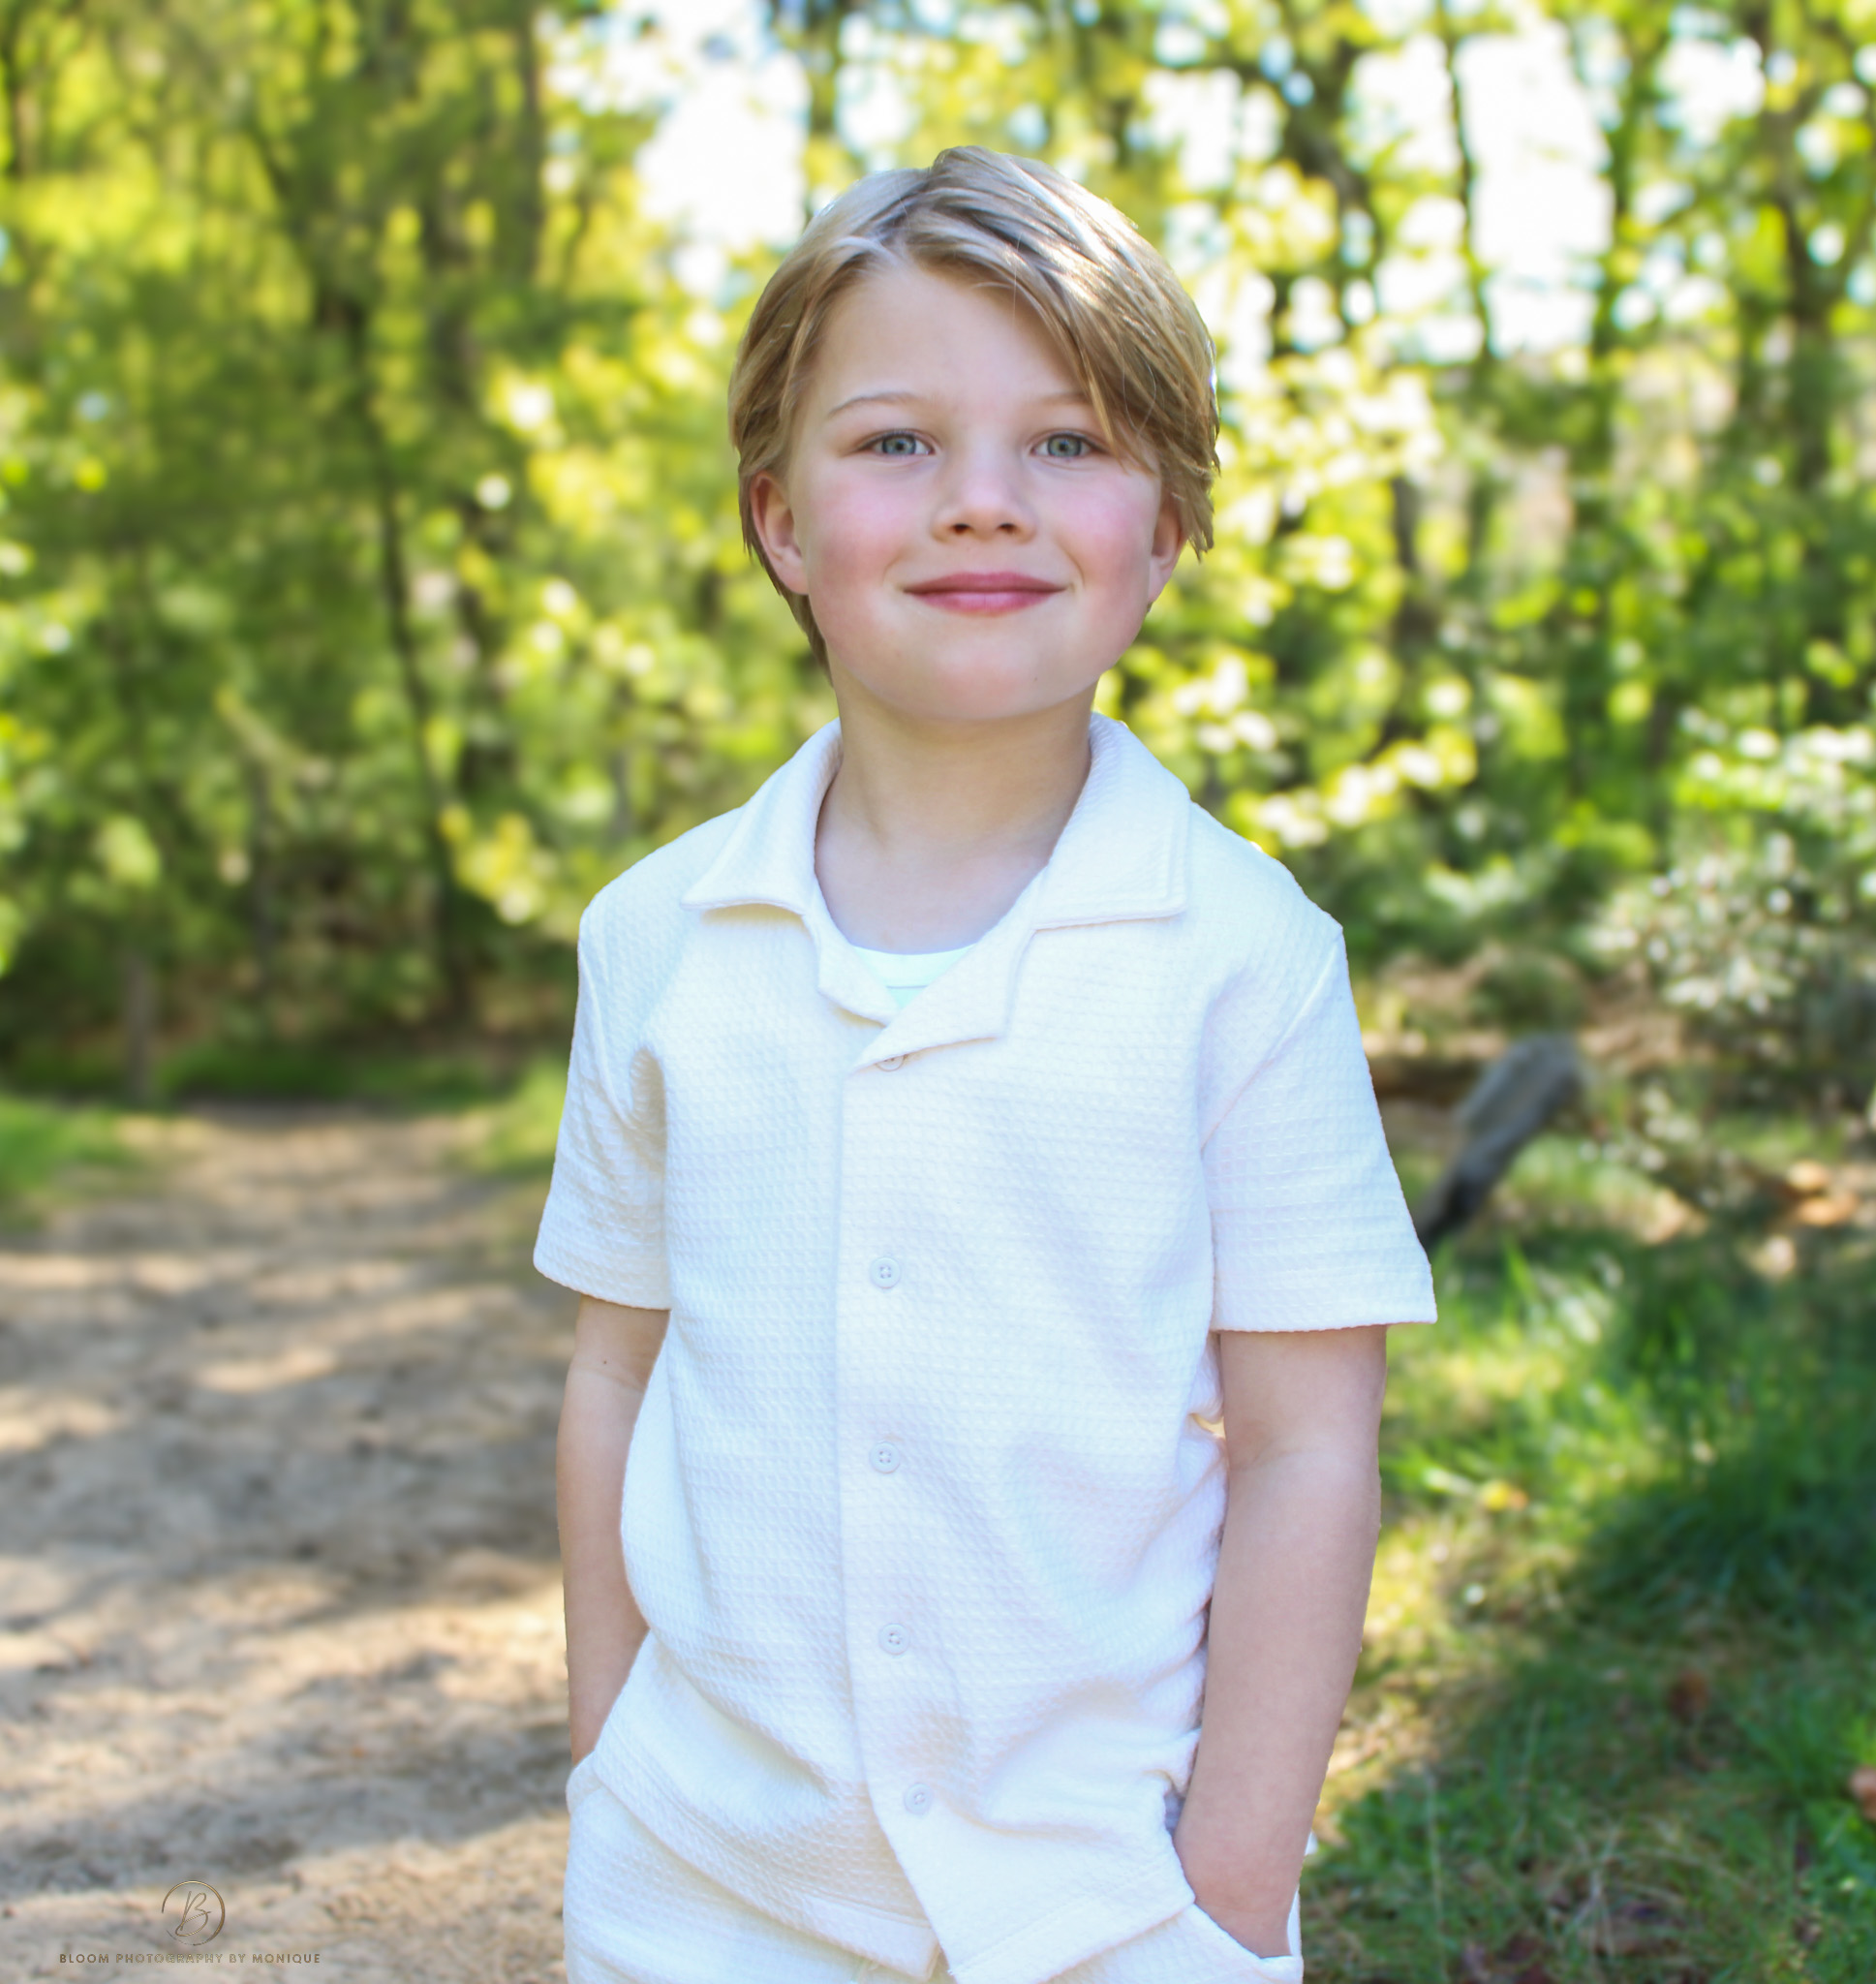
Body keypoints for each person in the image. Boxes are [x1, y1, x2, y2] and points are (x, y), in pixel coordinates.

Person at [538, 145, 1436, 1984]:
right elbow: (618, 1373)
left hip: (1109, 1899)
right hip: (703, 1892)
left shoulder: (1246, 960)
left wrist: (1227, 1890)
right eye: (895, 443)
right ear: (782, 521)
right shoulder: (655, 940)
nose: (979, 504)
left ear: (1164, 526)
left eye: (1067, 441)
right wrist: (606, 1762)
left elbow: (1304, 1445)